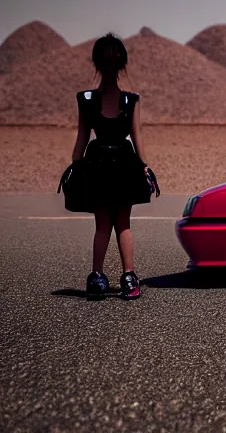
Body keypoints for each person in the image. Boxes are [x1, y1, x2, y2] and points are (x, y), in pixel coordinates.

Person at [70, 33, 158, 301]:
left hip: (107, 165)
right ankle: (122, 276)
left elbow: (84, 137)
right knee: (120, 224)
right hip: (117, 164)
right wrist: (144, 166)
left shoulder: (92, 100)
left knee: (107, 224)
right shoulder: (126, 100)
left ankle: (104, 276)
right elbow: (134, 135)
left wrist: (75, 165)